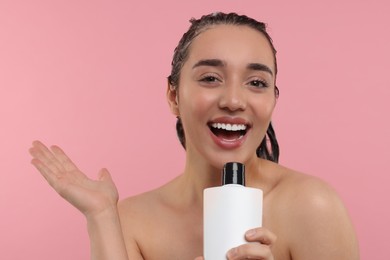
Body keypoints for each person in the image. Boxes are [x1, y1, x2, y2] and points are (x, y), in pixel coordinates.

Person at [29, 12, 359, 260]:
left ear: (273, 99)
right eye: (211, 78)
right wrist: (100, 216)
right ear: (173, 95)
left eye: (256, 82)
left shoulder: (312, 207)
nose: (233, 100)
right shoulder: (133, 221)